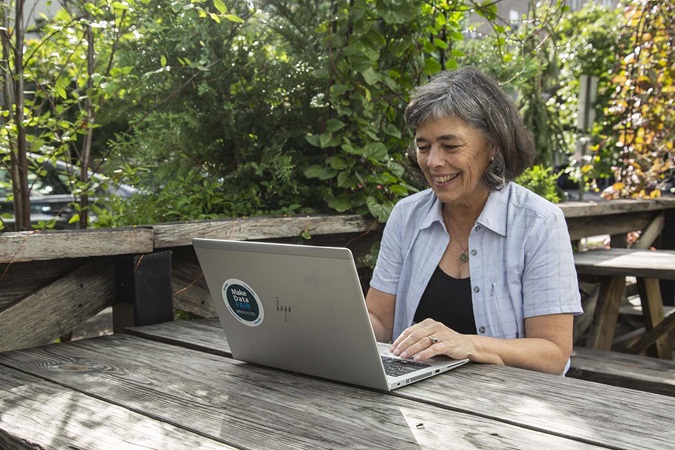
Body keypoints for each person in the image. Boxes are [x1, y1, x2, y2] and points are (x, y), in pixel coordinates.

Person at [366, 68, 583, 375]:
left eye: (450, 146)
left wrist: (469, 344)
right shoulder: (406, 215)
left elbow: (553, 354)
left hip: (509, 405)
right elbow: (378, 320)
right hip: (414, 399)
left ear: (493, 145)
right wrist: (331, 323)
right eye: (423, 146)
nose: (433, 162)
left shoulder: (539, 222)